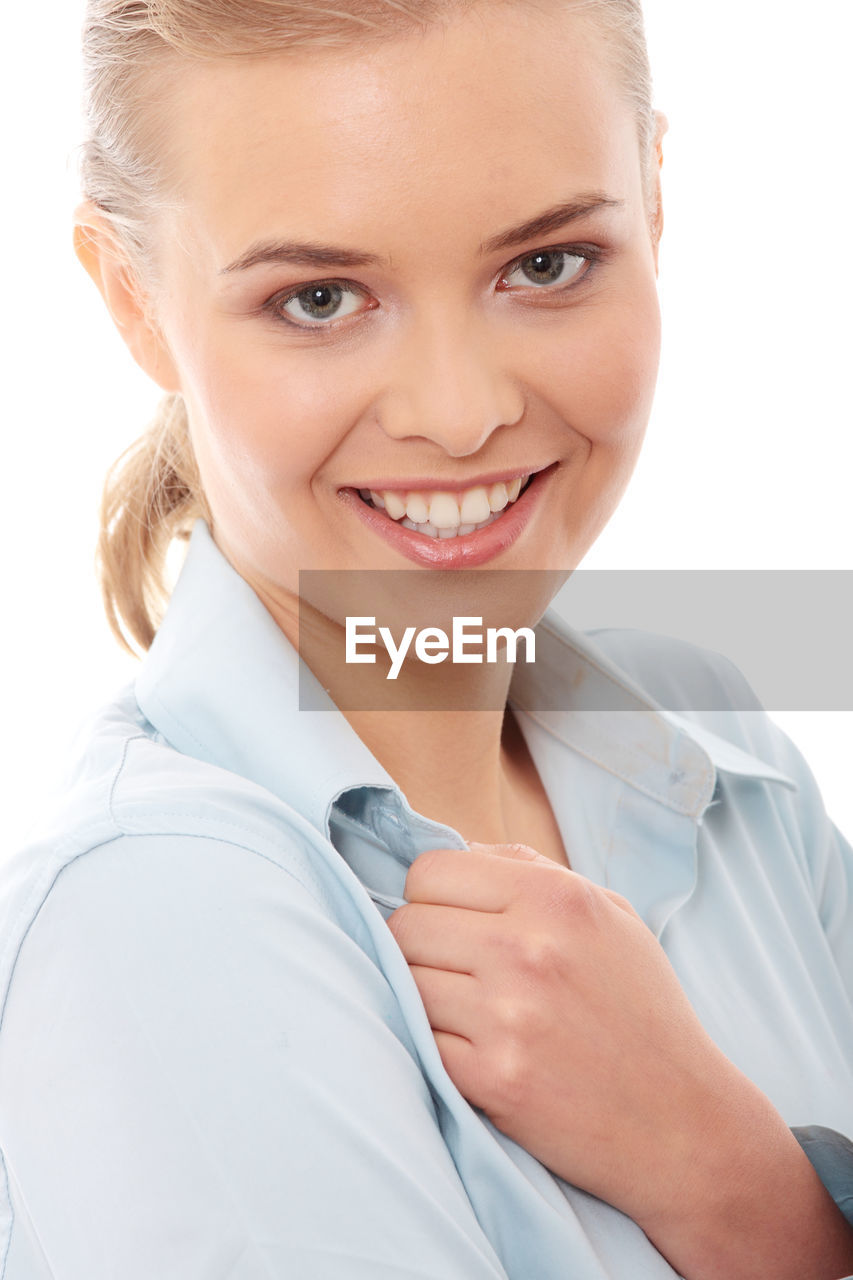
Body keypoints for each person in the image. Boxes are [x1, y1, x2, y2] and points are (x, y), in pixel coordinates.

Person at [0, 0, 851, 1276]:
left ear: (655, 201)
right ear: (133, 297)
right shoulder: (158, 915)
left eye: (547, 264)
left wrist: (729, 1174)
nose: (459, 414)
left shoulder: (718, 738)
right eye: (321, 297)